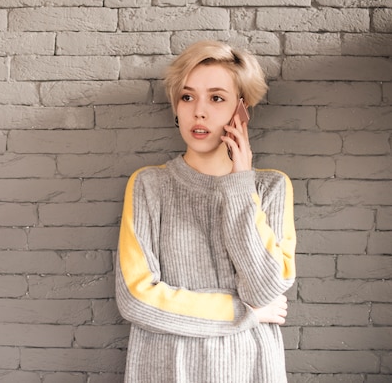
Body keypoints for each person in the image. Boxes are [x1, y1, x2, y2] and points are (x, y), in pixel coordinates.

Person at [115, 40, 296, 382]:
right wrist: (246, 312)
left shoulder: (272, 189)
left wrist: (240, 185)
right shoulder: (149, 186)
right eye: (187, 96)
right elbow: (136, 300)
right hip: (168, 368)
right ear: (176, 107)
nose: (199, 111)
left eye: (216, 98)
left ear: (241, 110)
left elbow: (265, 290)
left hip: (249, 366)